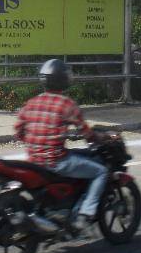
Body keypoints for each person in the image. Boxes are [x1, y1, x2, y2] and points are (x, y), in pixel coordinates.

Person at [14, 59, 106, 231]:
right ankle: (85, 214)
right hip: (56, 161)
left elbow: (18, 131)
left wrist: (36, 141)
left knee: (78, 155)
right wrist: (97, 138)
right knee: (101, 171)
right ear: (62, 79)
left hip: (33, 162)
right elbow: (86, 132)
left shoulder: (31, 102)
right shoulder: (66, 104)